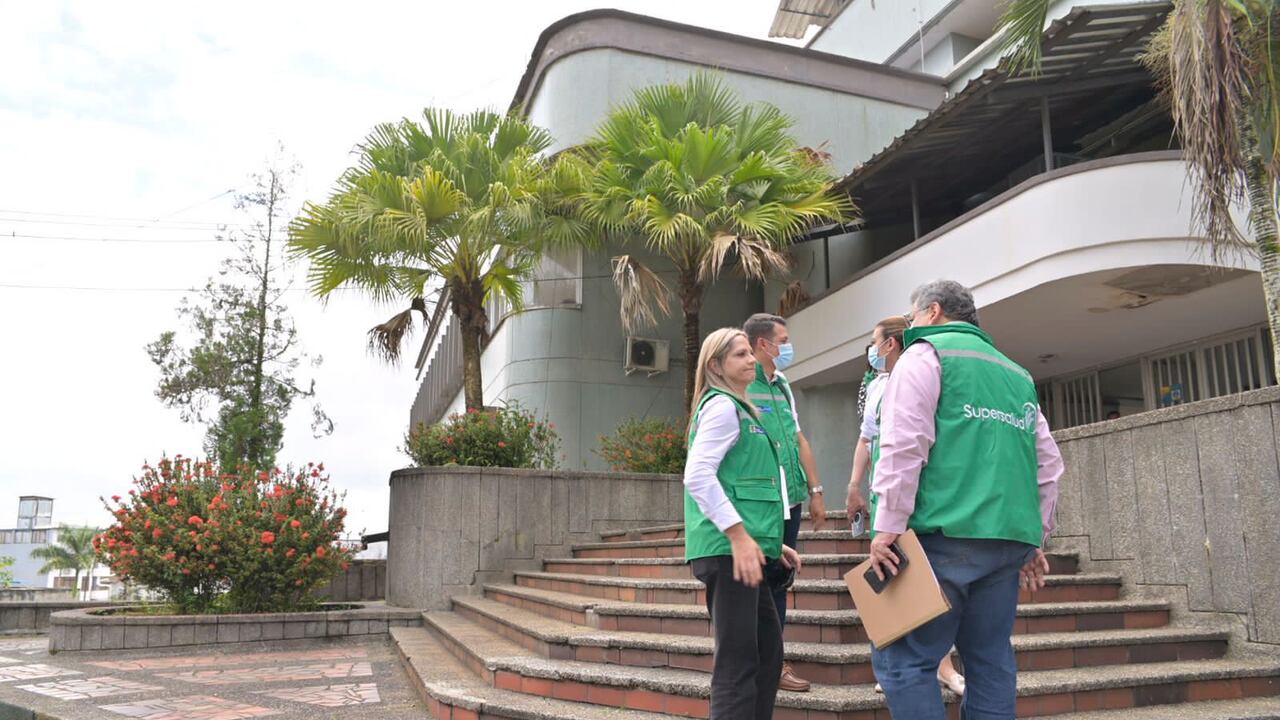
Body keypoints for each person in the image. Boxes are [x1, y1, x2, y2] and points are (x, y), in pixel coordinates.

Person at [867, 280, 1064, 720]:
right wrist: (1037, 537)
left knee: (902, 660)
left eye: (912, 314)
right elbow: (1048, 465)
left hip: (943, 538)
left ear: (932, 311)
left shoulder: (924, 356)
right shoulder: (1017, 374)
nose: (911, 322)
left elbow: (904, 445)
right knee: (990, 661)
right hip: (1007, 543)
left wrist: (888, 526)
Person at [684, 327, 804, 719]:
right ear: (716, 365)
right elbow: (698, 475)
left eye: (750, 353)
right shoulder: (722, 407)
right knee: (738, 664)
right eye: (739, 355)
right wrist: (738, 537)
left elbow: (741, 484)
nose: (751, 359)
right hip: (726, 551)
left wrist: (771, 544)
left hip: (741, 550)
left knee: (767, 654)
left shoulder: (739, 406)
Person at [848, 315, 965, 697]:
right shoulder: (878, 386)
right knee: (889, 584)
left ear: (891, 344)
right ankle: (891, 666)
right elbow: (867, 441)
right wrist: (854, 486)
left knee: (932, 587)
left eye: (874, 342)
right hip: (887, 500)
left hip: (924, 501)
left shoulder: (923, 374)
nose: (871, 351)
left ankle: (943, 667)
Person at [742, 313, 827, 693]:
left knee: (779, 581)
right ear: (764, 344)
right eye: (784, 339)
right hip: (759, 504)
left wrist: (816, 492)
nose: (789, 347)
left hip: (790, 500)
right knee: (755, 584)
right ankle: (755, 663)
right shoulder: (741, 384)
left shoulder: (783, 384)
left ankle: (775, 664)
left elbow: (798, 439)